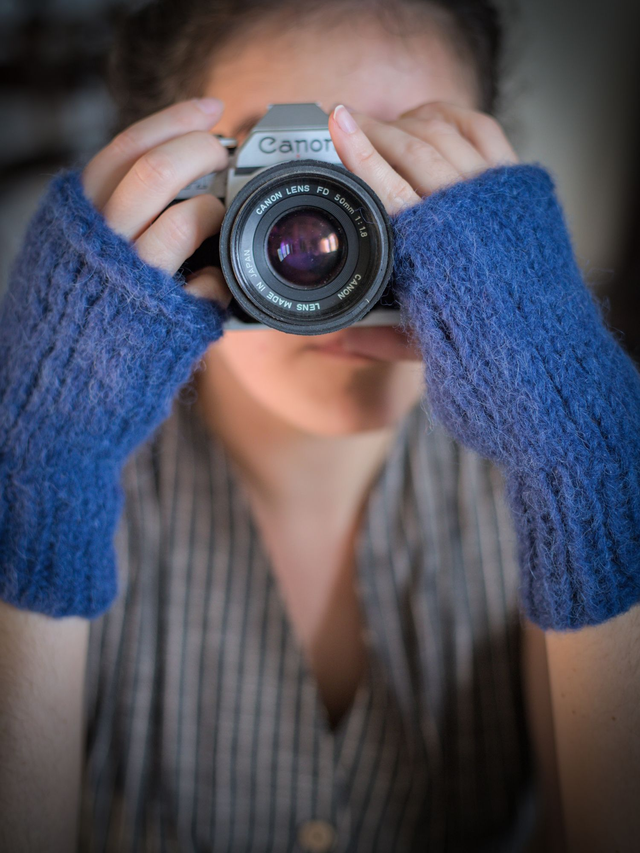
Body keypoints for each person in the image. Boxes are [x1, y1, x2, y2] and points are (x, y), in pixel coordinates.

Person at [1, 1, 639, 851]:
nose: (342, 241)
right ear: (168, 189)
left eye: (394, 181)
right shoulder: (59, 460)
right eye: (275, 178)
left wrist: (589, 471)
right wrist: (35, 485)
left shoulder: (549, 480)